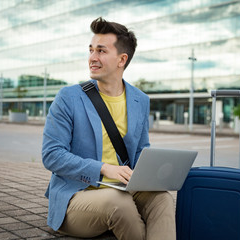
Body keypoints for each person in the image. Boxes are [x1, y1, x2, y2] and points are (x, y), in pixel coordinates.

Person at [42, 17, 176, 240]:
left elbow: (141, 151)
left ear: (122, 59)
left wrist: (156, 172)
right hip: (78, 196)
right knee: (118, 202)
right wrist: (103, 168)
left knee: (162, 198)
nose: (92, 58)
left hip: (124, 188)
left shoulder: (139, 100)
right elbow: (51, 155)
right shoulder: (69, 98)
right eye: (91, 50)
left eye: (101, 51)